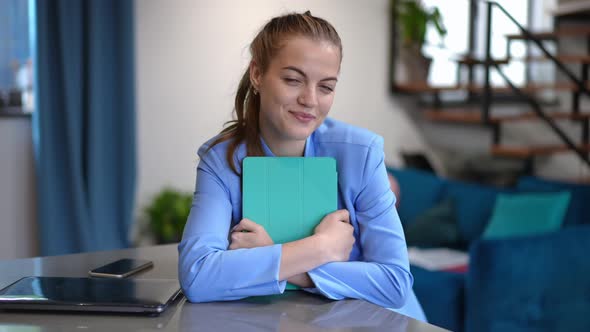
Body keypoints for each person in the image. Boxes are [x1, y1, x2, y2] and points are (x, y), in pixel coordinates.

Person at [178, 11, 426, 321]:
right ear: (257, 74)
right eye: (293, 80)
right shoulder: (221, 159)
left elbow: (394, 283)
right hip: (275, 322)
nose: (310, 100)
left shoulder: (361, 154)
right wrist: (320, 247)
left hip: (375, 323)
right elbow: (197, 276)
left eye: (326, 87)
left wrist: (274, 255)